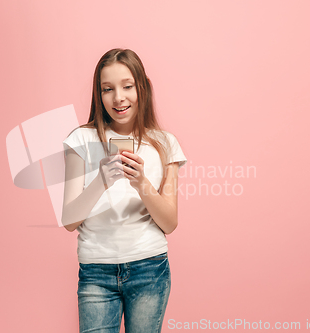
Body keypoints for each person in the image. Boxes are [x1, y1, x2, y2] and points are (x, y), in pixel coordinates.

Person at [62, 48, 187, 333]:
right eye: (108, 89)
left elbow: (169, 222)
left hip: (149, 269)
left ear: (141, 87)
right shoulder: (80, 139)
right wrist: (101, 181)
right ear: (99, 94)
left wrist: (141, 182)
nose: (118, 97)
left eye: (127, 86)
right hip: (96, 271)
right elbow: (69, 220)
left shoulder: (164, 144)